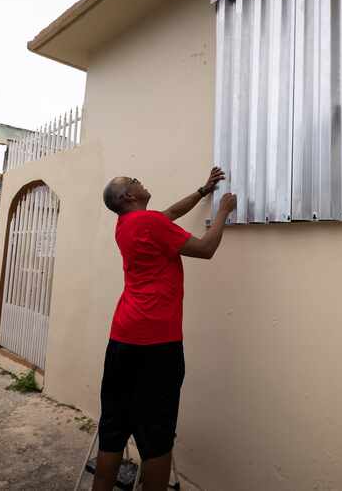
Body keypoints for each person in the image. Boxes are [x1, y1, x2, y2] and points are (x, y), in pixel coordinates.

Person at [93, 167, 236, 491]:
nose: (139, 180)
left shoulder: (127, 224)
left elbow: (169, 213)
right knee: (156, 432)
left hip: (122, 338)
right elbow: (205, 248)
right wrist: (223, 212)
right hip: (157, 343)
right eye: (134, 181)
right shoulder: (150, 223)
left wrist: (203, 190)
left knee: (114, 426)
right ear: (128, 196)